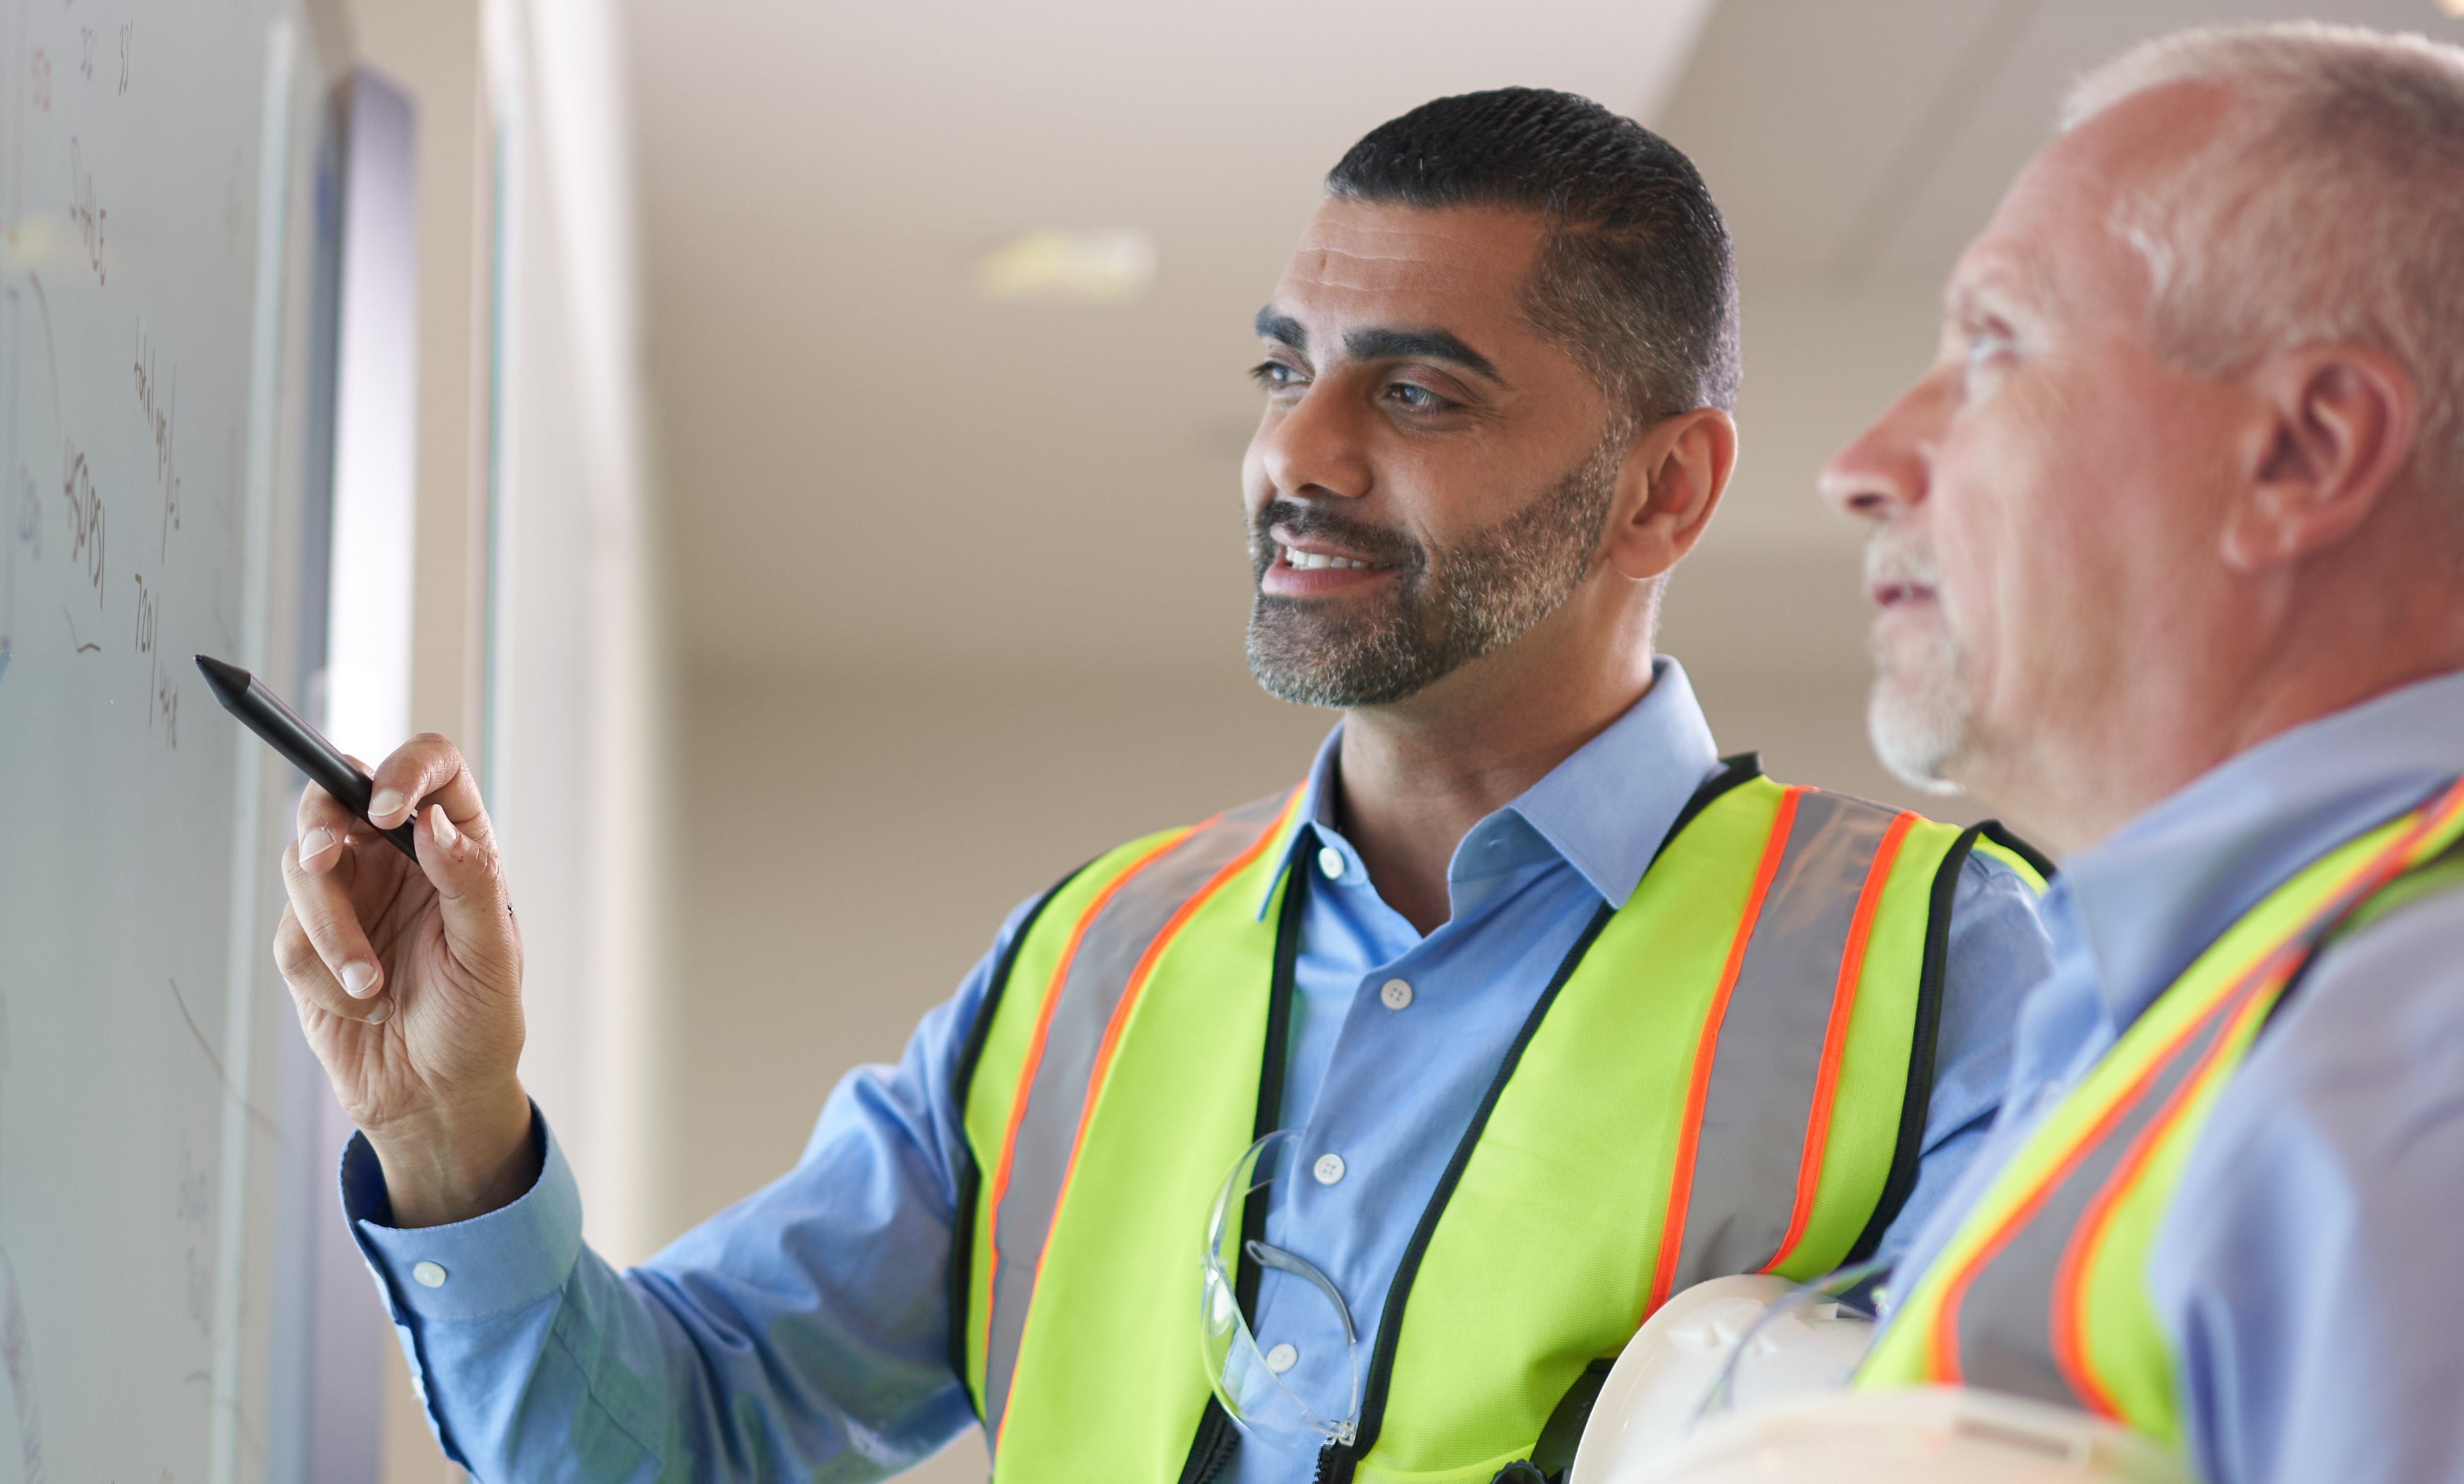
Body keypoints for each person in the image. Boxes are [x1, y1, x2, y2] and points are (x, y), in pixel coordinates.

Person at [276, 89, 2052, 1484]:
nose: (1297, 450)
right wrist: (453, 1133)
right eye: (1287, 368)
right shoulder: (1088, 963)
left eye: (1419, 393)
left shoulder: (1955, 957)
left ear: (1665, 489)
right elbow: (672, 1429)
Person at [1820, 23, 2464, 1484]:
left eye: (1993, 346)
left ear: (2304, 454)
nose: (1862, 462)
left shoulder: (2414, 1054)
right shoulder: (2180, 1005)